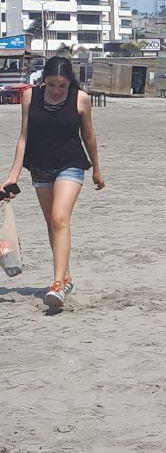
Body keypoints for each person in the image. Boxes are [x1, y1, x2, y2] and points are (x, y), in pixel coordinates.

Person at [2, 56, 105, 307]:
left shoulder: (80, 99)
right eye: (51, 85)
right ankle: (66, 277)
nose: (57, 90)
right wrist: (12, 176)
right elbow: (24, 137)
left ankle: (57, 285)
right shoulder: (29, 97)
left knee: (60, 219)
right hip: (40, 166)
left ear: (71, 83)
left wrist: (97, 170)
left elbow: (89, 137)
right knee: (51, 224)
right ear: (42, 81)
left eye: (62, 85)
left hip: (71, 164)